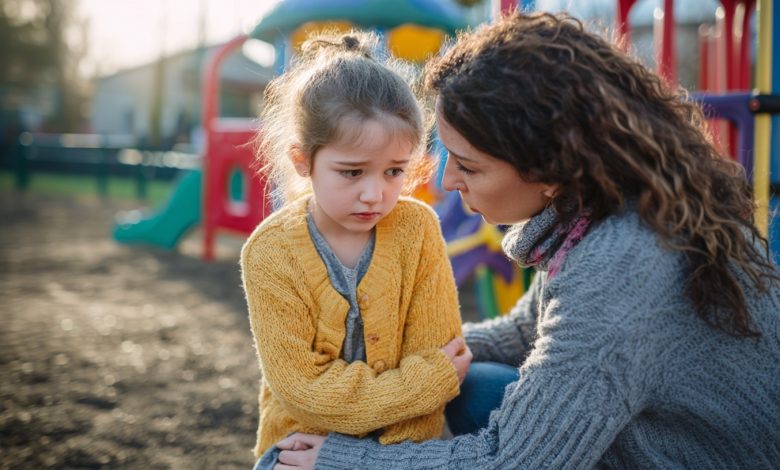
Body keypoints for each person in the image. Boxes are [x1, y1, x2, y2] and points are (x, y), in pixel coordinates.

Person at [269, 11, 780, 469]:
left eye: (468, 165)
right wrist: (382, 364)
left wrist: (342, 460)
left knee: (463, 398)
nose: (447, 182)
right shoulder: (611, 211)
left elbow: (513, 460)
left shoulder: (623, 263)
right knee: (469, 385)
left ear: (548, 168)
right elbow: (527, 332)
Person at [240, 31, 472, 469]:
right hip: (298, 447)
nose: (374, 194)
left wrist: (378, 461)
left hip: (400, 454)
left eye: (393, 171)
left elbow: (435, 354)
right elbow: (306, 393)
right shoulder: (270, 253)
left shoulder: (417, 230)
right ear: (301, 160)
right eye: (352, 172)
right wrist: (425, 383)